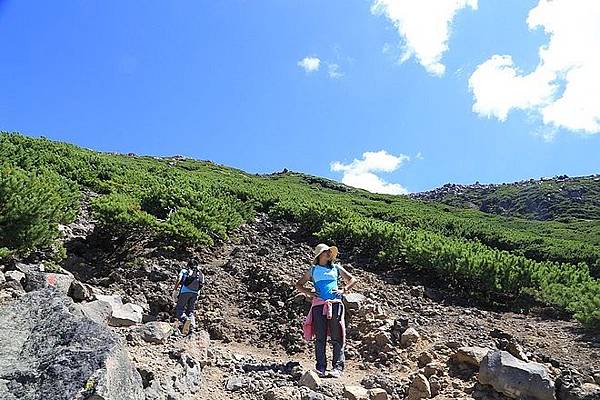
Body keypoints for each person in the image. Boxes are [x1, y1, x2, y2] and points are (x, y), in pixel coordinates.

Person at [295, 244, 357, 378]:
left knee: (337, 336)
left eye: (329, 251)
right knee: (320, 338)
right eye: (326, 251)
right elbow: (299, 284)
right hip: (319, 305)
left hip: (335, 304)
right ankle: (321, 368)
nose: (329, 253)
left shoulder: (336, 267)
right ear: (319, 254)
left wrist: (343, 290)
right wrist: (309, 293)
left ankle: (337, 368)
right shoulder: (312, 270)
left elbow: (352, 279)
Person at [172, 258, 205, 335]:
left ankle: (185, 320)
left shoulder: (185, 271)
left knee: (180, 309)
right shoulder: (201, 274)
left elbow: (179, 279)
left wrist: (175, 289)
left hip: (185, 292)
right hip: (195, 293)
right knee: (190, 311)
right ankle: (192, 326)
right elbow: (202, 285)